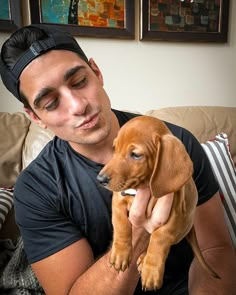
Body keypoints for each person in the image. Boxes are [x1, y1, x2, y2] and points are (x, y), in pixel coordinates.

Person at [0, 24, 235, 295]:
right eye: (51, 103)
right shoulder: (36, 189)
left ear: (97, 73)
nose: (78, 106)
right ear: (35, 117)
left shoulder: (174, 143)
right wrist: (138, 234)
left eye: (79, 82)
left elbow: (215, 248)